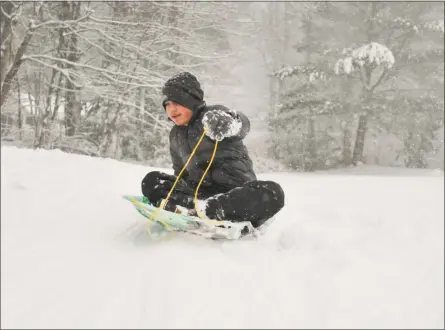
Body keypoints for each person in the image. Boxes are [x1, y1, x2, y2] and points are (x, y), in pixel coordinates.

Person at [141, 72, 285, 228]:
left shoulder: (212, 116)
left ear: (190, 101)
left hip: (234, 197)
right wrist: (176, 192)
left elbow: (242, 125)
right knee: (152, 181)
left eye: (176, 102)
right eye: (167, 104)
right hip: (198, 198)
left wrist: (230, 122)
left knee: (273, 193)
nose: (171, 109)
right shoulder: (175, 135)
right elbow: (180, 172)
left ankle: (209, 211)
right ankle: (193, 210)